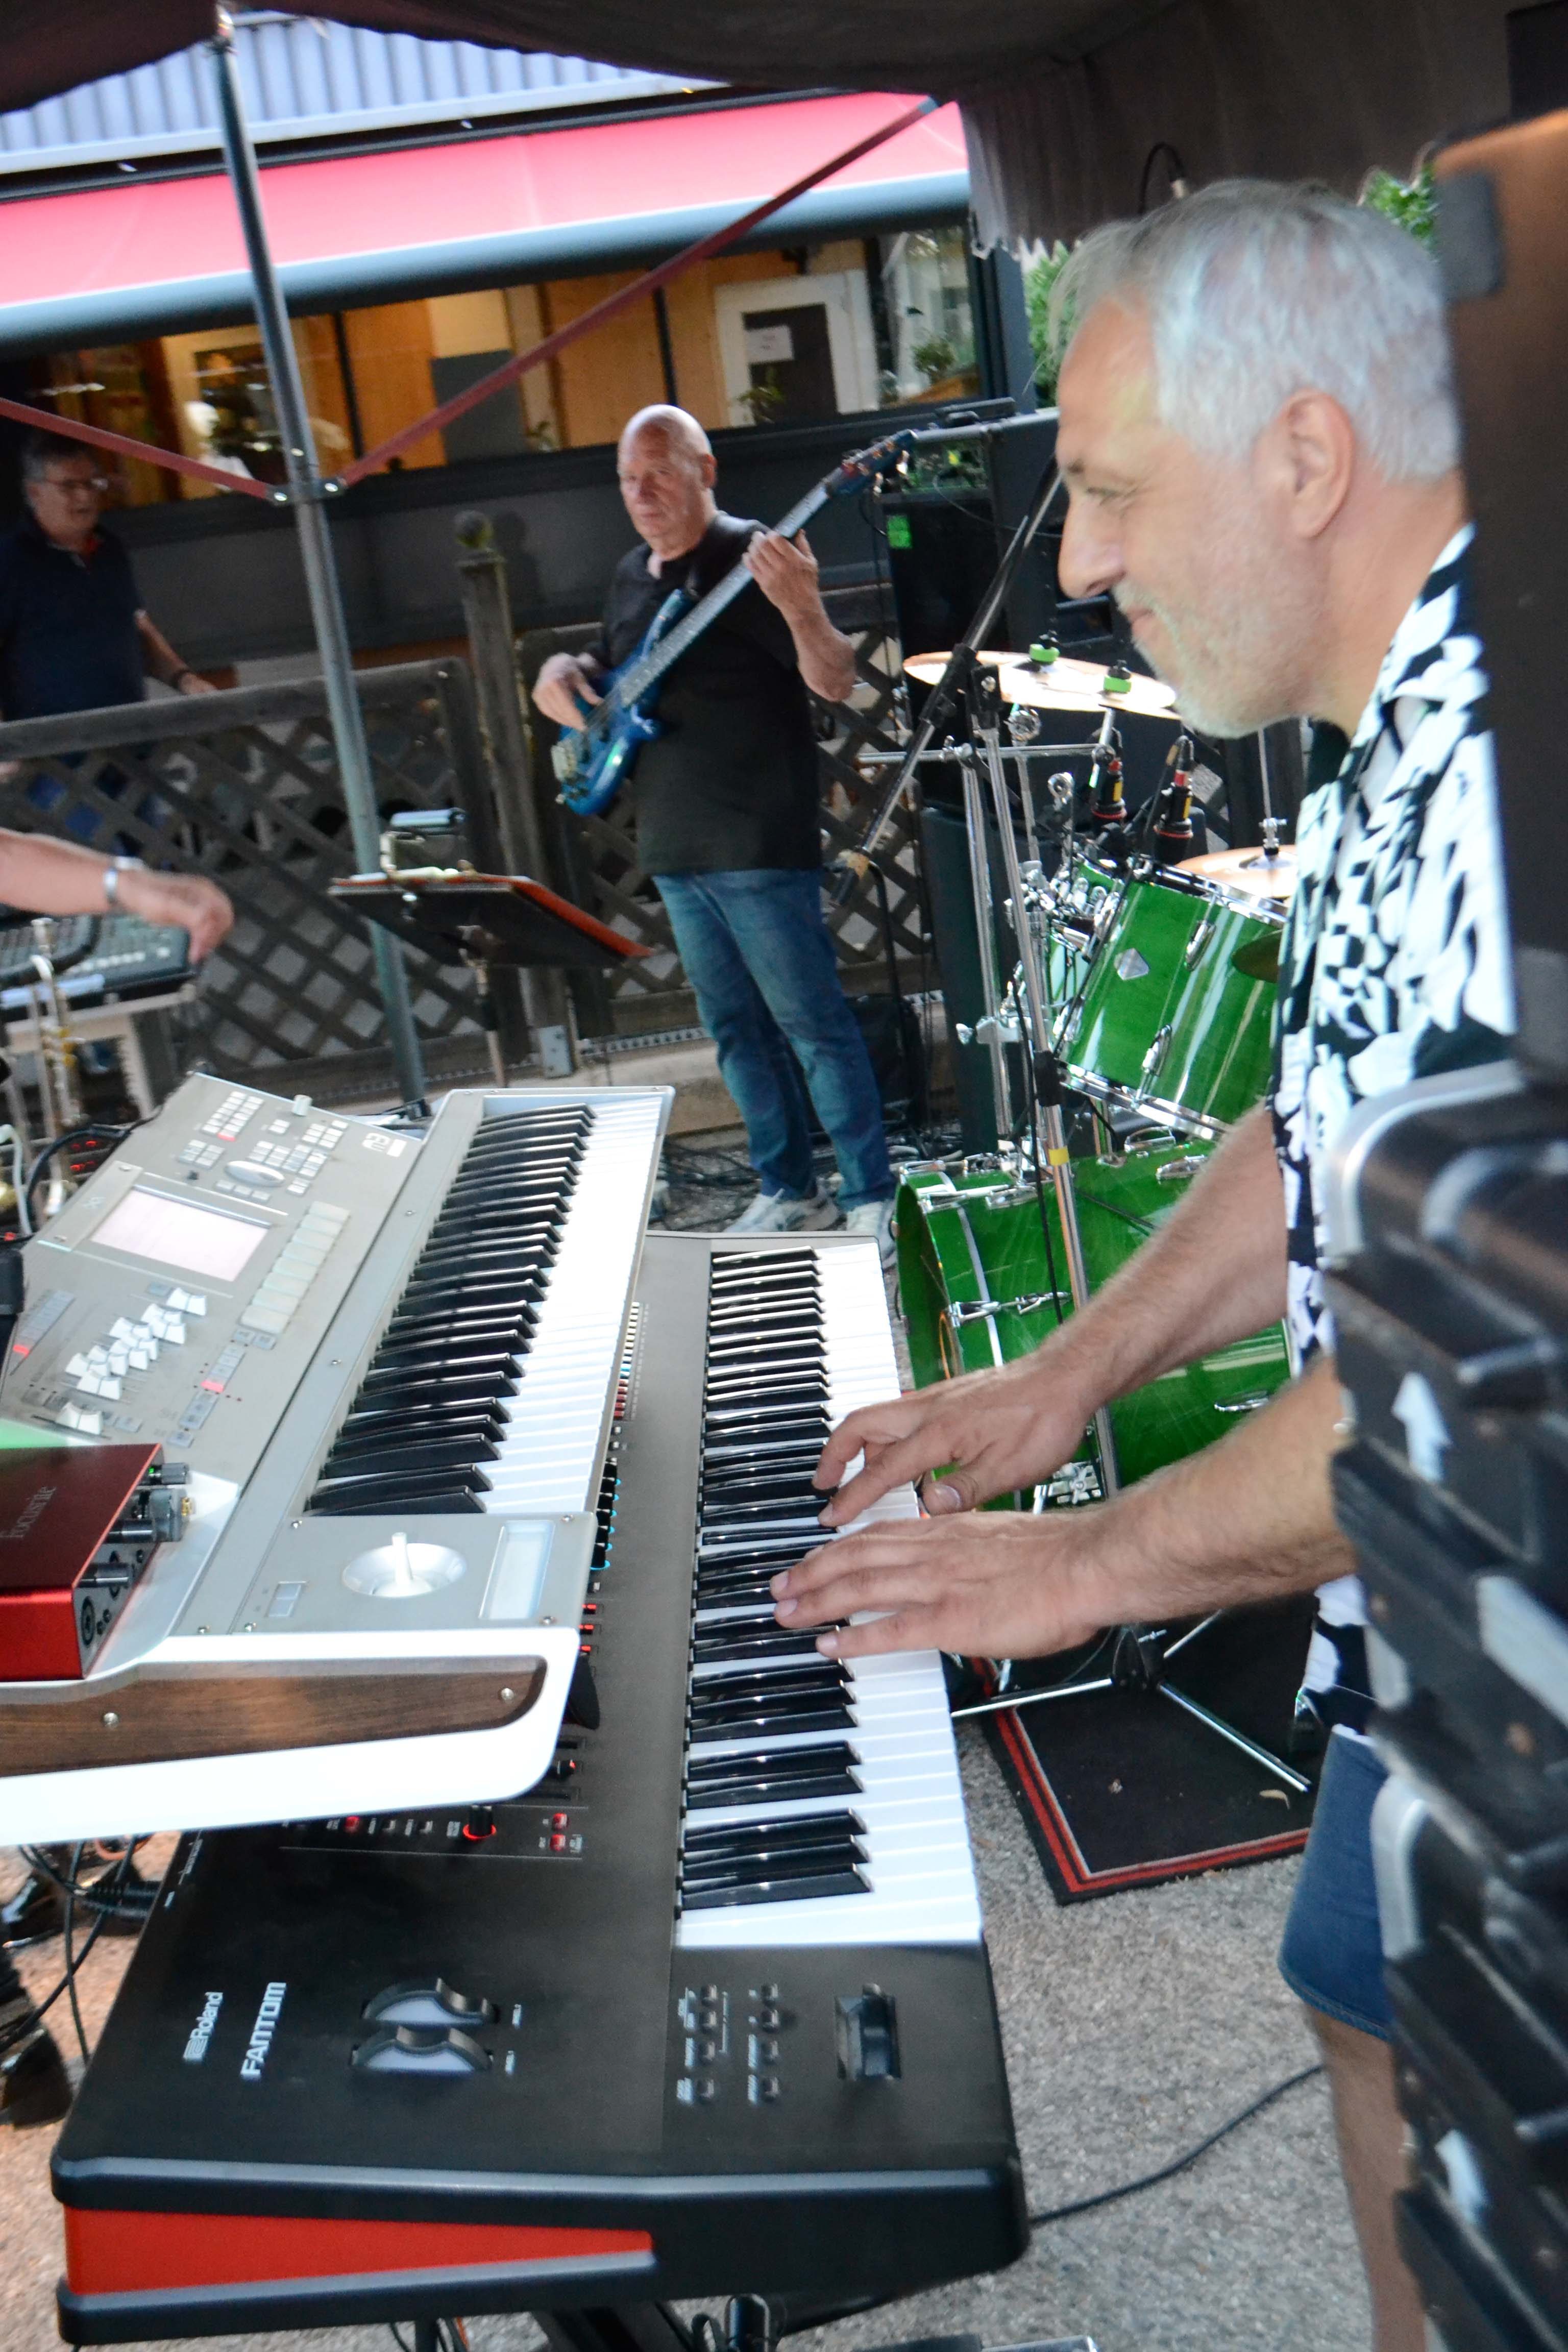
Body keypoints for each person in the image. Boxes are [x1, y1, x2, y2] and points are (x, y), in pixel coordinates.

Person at [769, 183, 1512, 2352]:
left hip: (1525, 1692)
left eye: (1103, 489)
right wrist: (1066, 1372)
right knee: (1361, 2003)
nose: (1078, 563)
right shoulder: (1407, 734)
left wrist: (1082, 1561)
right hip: (1422, 1678)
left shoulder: (1520, 769)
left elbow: (1461, 1393)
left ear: (1303, 455)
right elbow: (1321, 1114)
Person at [533, 405, 898, 1258]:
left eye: (659, 473)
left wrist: (802, 607)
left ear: (705, 471)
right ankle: (789, 1190)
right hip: (673, 841)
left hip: (758, 838)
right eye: (629, 479)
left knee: (811, 1023)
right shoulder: (632, 573)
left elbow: (836, 680)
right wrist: (562, 671)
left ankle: (872, 1195)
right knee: (736, 1031)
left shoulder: (753, 556)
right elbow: (611, 669)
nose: (642, 493)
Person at [0, 435, 218, 724]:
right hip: (54, 745)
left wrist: (184, 678)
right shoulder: (10, 561)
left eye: (91, 484)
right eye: (69, 486)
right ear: (35, 492)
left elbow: (136, 625)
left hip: (131, 734)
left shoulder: (109, 550)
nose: (85, 497)